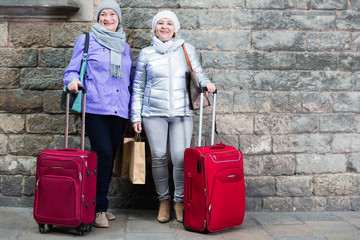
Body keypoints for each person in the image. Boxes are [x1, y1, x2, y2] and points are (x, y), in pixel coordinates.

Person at [130, 10, 216, 223]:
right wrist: (135, 116)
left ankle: (179, 202)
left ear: (175, 28)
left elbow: (199, 73)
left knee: (179, 159)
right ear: (155, 28)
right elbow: (138, 86)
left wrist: (207, 84)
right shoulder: (147, 53)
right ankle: (164, 201)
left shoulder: (187, 49)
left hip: (181, 112)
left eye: (169, 23)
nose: (165, 27)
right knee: (158, 157)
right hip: (153, 113)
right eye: (160, 23)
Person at [63, 0, 134, 228]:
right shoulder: (85, 40)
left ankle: (97, 203)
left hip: (119, 109)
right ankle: (98, 209)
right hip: (94, 106)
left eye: (112, 14)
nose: (107, 18)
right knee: (102, 153)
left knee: (108, 157)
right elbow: (72, 70)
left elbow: (129, 81)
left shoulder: (125, 46)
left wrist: (133, 113)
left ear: (119, 19)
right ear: (98, 18)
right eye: (103, 14)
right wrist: (72, 81)